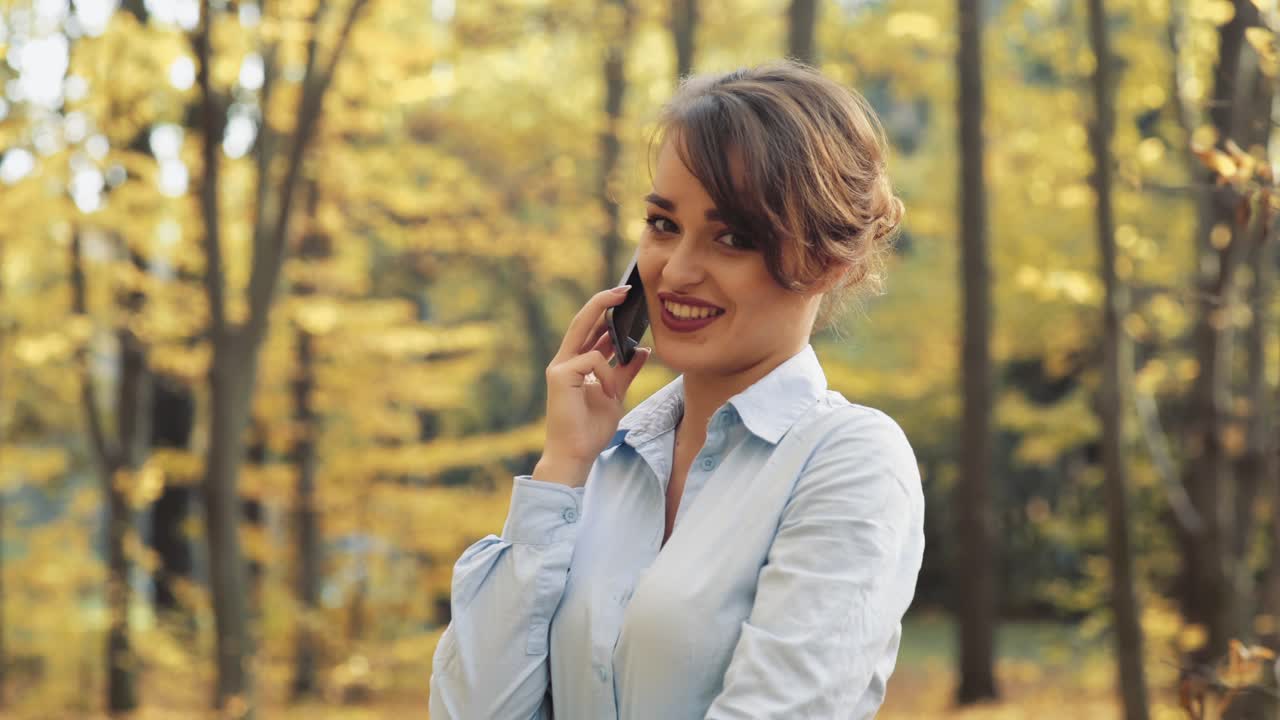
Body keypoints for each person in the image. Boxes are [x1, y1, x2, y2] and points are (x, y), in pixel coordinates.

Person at [429, 59, 924, 719]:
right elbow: (471, 709)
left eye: (733, 237)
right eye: (663, 225)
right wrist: (562, 468)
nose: (675, 271)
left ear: (826, 261)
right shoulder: (602, 467)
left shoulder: (849, 462)